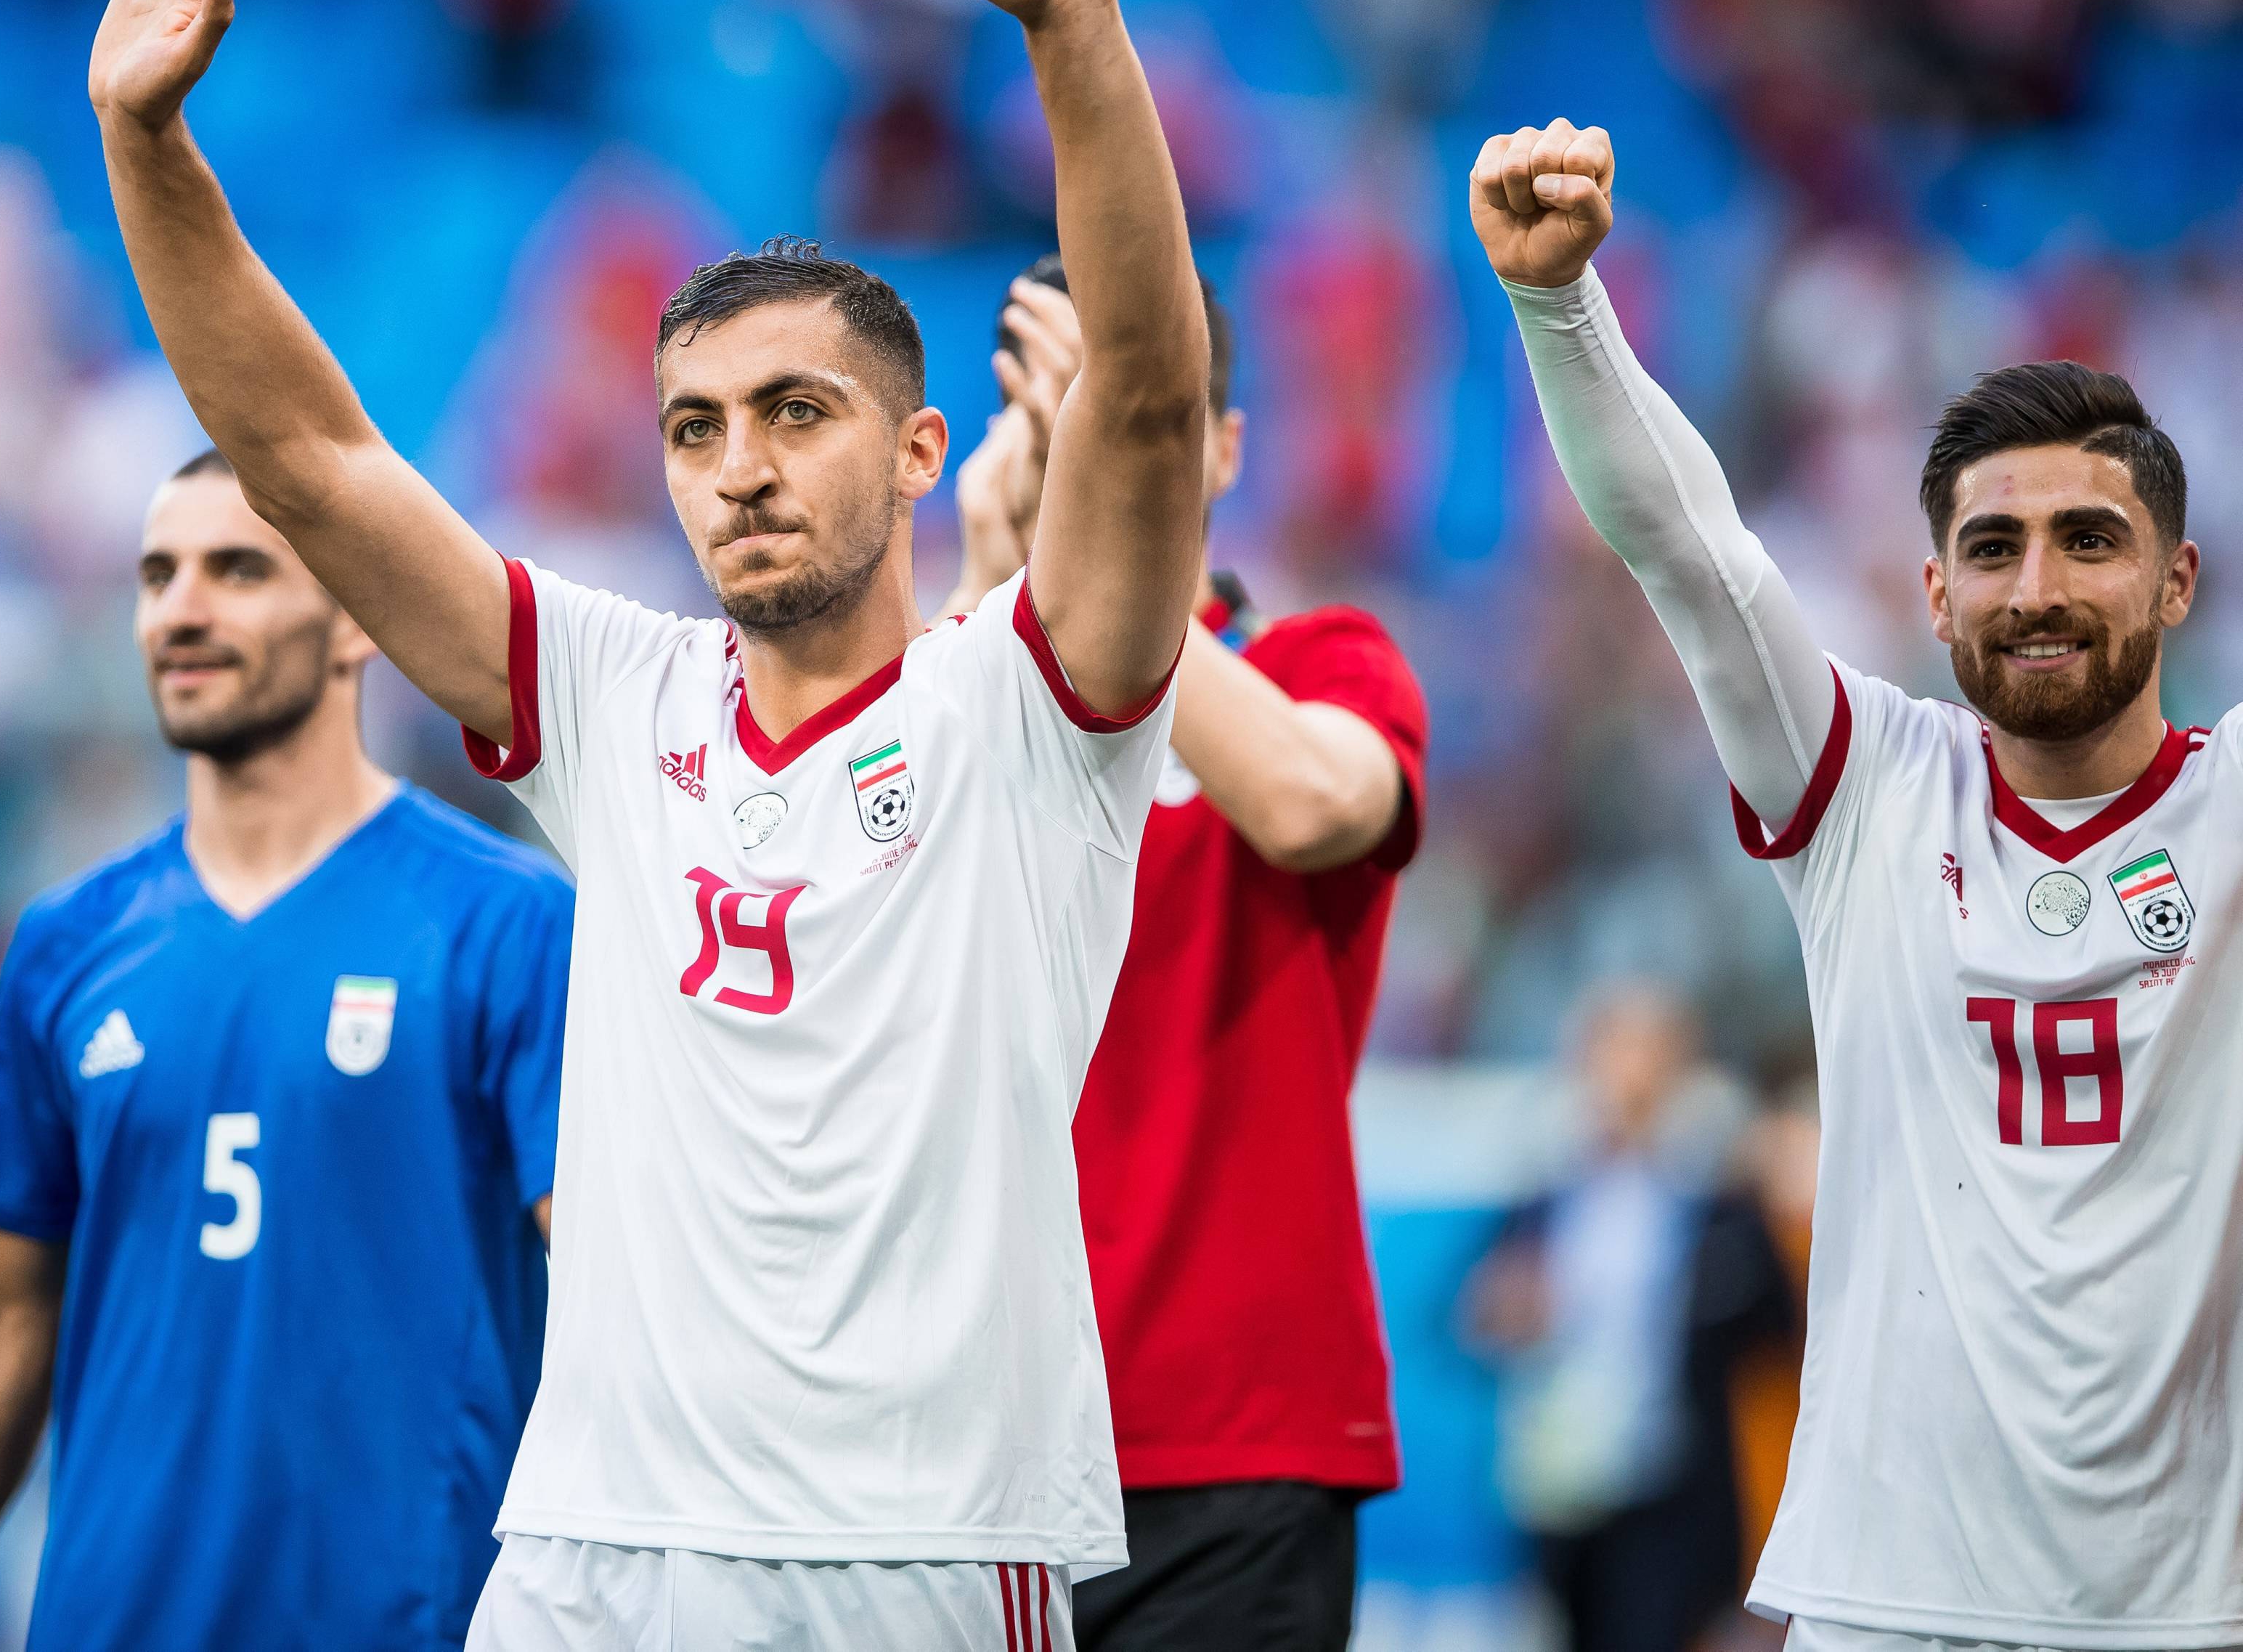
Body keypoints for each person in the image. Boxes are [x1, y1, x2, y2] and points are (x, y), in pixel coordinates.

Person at [84, 0, 1216, 1640]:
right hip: (593, 1551)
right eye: (696, 427)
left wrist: (1076, 33)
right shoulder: (618, 696)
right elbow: (312, 462)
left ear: (926, 450)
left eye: (797, 412)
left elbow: (1152, 411)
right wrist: (145, 139)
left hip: (917, 1548)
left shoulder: (1024, 713)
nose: (742, 465)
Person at [1472, 115, 2243, 1651]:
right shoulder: (1868, 787)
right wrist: (1558, 307)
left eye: (2087, 538)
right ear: (1930, 589)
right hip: (1881, 1600)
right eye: (1993, 544)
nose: (2034, 585)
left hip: (2175, 1607)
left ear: (2173, 579)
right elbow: (1689, 552)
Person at [0, 452, 572, 1651]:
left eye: (238, 569)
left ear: (360, 616)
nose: (182, 608)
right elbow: (1, 1322)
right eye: (158, 574)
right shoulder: (68, 940)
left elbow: (617, 1297)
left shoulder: (510, 922)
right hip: (110, 1619)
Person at [943, 258, 1426, 1652]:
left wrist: (1092, 547)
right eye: (1076, 421)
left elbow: (1312, 800)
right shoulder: (949, 672)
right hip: (969, 1448)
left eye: (1150, 418)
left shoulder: (1329, 658)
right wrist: (1003, 591)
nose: (1111, 451)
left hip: (1235, 1442)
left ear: (1221, 445)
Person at [1460, 984, 1794, 1652]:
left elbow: (1780, 1333)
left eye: (1650, 1051)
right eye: (1616, 1049)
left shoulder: (1720, 1201)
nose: (1631, 1073)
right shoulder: (1547, 1195)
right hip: (1562, 1484)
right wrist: (1502, 1310)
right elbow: (1470, 1315)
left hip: (1672, 1490)